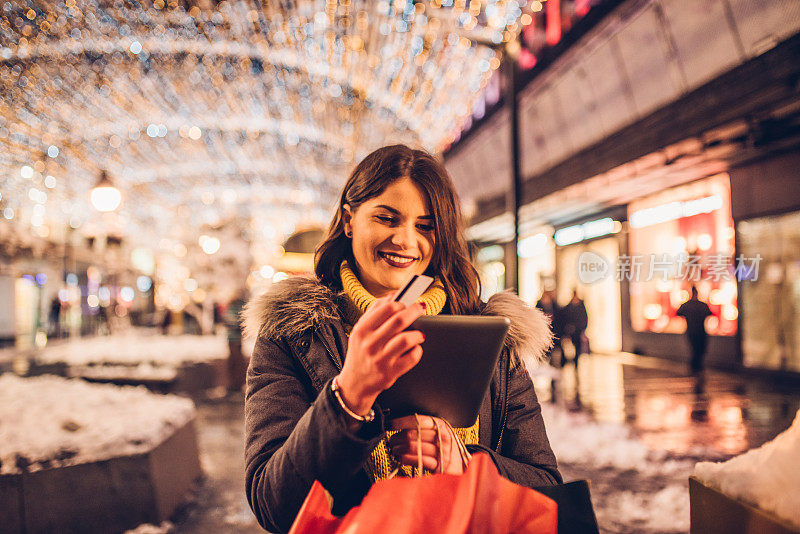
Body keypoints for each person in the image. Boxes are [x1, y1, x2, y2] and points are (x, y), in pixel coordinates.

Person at [243, 145, 561, 533]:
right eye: (387, 218)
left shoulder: (491, 335)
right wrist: (348, 397)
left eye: (425, 226)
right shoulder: (293, 333)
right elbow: (273, 506)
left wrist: (469, 465)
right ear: (348, 219)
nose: (405, 240)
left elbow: (546, 486)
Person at [676, 286, 713, 374]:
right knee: (700, 349)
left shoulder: (687, 305)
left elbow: (678, 312)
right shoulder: (702, 305)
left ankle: (695, 366)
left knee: (695, 349)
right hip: (700, 330)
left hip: (692, 330)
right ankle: (696, 366)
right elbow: (710, 313)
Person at [224, 290, 248, 393]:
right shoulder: (239, 306)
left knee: (236, 361)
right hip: (235, 338)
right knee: (235, 361)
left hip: (234, 338)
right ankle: (236, 383)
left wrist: (232, 325)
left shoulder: (234, 307)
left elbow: (232, 322)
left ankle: (236, 383)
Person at [561, 289, 588, 365]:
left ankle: (575, 361)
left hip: (577, 330)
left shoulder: (580, 306)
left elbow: (584, 319)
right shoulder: (569, 307)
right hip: (570, 331)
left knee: (577, 347)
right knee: (567, 345)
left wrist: (581, 328)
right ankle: (566, 361)